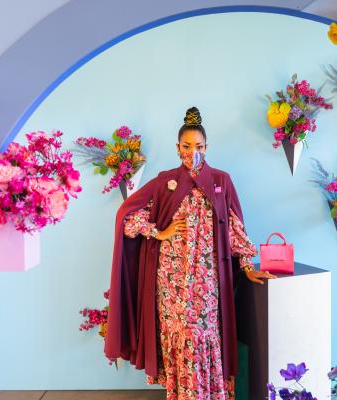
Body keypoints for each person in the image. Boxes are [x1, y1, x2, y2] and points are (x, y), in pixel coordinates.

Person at [104, 107, 276, 399]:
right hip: (171, 277)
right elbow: (127, 217)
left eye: (198, 147)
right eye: (186, 146)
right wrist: (161, 232)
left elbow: (235, 228)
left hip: (209, 278)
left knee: (203, 334)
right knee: (180, 334)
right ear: (177, 147)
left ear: (207, 148)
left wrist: (247, 266)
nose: (192, 152)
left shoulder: (221, 181)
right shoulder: (165, 181)